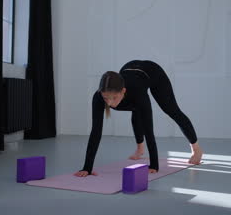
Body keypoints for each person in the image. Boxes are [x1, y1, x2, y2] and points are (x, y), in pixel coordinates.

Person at [74, 60, 203, 177]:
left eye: (114, 98)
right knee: (136, 110)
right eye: (105, 98)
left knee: (171, 110)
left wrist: (154, 165)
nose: (109, 103)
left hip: (154, 74)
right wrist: (87, 168)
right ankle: (140, 149)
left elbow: (148, 128)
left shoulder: (137, 93)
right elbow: (96, 131)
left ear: (123, 91)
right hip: (131, 72)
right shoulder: (98, 97)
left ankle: (196, 149)